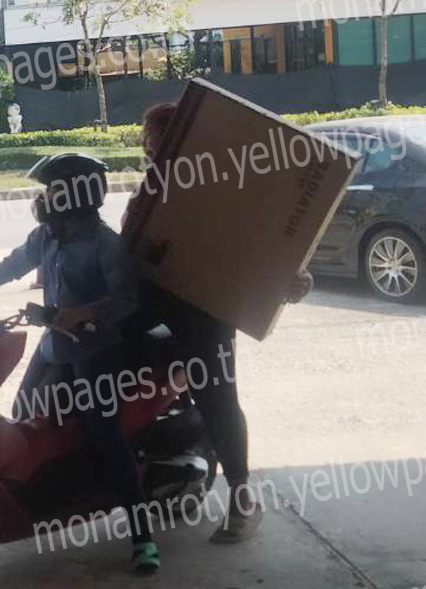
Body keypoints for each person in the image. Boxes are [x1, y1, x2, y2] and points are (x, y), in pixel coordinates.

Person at [0, 153, 162, 575]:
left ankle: (143, 538)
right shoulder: (46, 236)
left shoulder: (105, 244)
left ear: (75, 195)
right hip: (55, 346)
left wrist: (84, 313)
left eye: (52, 190)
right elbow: (16, 262)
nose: (44, 198)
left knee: (106, 435)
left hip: (96, 352)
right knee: (25, 413)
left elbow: (126, 300)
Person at [122, 102, 313, 543]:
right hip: (152, 305)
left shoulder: (222, 193)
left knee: (218, 397)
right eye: (148, 150)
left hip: (205, 310)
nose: (152, 156)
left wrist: (294, 275)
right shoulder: (145, 199)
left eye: (160, 148)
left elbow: (266, 240)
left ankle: (243, 498)